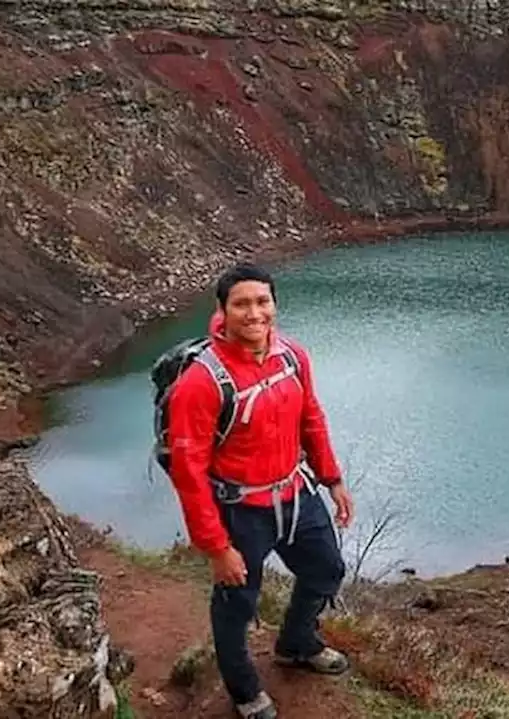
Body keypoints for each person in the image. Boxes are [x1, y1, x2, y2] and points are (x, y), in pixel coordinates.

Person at [166, 262, 356, 719]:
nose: (254, 313)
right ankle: (245, 688)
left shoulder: (291, 356)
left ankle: (296, 643)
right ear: (223, 310)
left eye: (263, 301)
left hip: (295, 493)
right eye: (242, 304)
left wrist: (332, 479)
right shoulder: (201, 381)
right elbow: (188, 471)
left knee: (327, 568)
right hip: (239, 511)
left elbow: (310, 416)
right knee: (237, 603)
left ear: (274, 304)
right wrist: (216, 547)